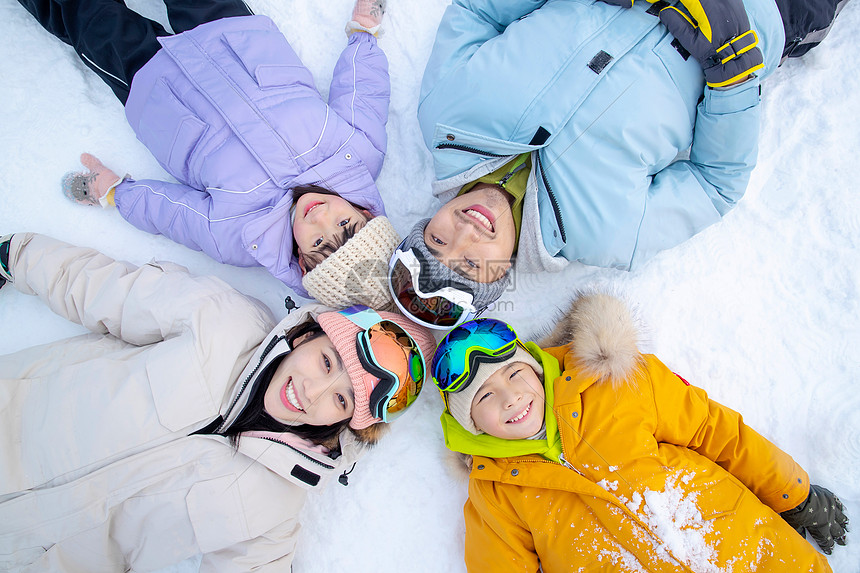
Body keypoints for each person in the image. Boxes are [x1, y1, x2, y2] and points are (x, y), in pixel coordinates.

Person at [387, 0, 848, 328]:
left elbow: (477, 11)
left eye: (438, 238)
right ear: (503, 273)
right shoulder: (605, 233)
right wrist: (732, 74)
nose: (466, 231)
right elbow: (715, 184)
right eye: (470, 262)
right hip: (761, 11)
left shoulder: (445, 113)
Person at [0, 232, 436, 572]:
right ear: (306, 335)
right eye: (325, 361)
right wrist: (14, 256)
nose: (312, 391)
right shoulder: (219, 320)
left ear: (346, 423)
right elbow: (105, 290)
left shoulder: (274, 506)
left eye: (341, 399)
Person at [17, 0, 400, 309]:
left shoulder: (242, 235)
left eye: (318, 243)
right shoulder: (357, 152)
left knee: (88, 17)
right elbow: (361, 91)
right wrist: (364, 34)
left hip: (157, 90)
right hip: (235, 41)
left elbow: (177, 215)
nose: (321, 220)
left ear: (301, 259)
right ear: (365, 213)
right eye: (345, 224)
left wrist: (117, 193)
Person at [429, 293, 848, 571]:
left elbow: (717, 432)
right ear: (470, 426)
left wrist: (795, 495)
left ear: (538, 369)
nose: (510, 397)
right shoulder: (496, 492)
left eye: (515, 372)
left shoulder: (618, 383)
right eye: (484, 397)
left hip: (757, 556)